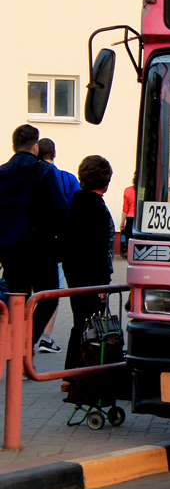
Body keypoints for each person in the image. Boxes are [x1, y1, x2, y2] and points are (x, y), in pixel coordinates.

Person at [0, 125, 66, 349]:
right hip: (40, 248)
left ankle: (14, 347)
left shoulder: (1, 172)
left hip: (10, 249)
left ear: (14, 145)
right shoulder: (43, 171)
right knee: (48, 299)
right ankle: (26, 348)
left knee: (16, 301)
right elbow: (60, 209)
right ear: (35, 147)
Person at [61, 155, 115, 373]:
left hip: (73, 271)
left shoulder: (73, 203)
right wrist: (103, 284)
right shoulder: (97, 209)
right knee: (87, 325)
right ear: (105, 182)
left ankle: (72, 373)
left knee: (80, 321)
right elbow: (100, 249)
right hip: (92, 276)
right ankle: (77, 372)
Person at [34, 138, 81, 354]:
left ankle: (25, 341)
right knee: (52, 293)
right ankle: (45, 337)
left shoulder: (29, 177)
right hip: (58, 245)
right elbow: (73, 210)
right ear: (54, 153)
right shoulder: (68, 178)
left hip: (31, 244)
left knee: (28, 296)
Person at [120, 173, 136, 257]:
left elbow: (125, 209)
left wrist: (122, 223)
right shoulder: (146, 190)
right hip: (142, 217)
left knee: (129, 237)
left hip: (130, 218)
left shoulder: (128, 190)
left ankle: (130, 253)